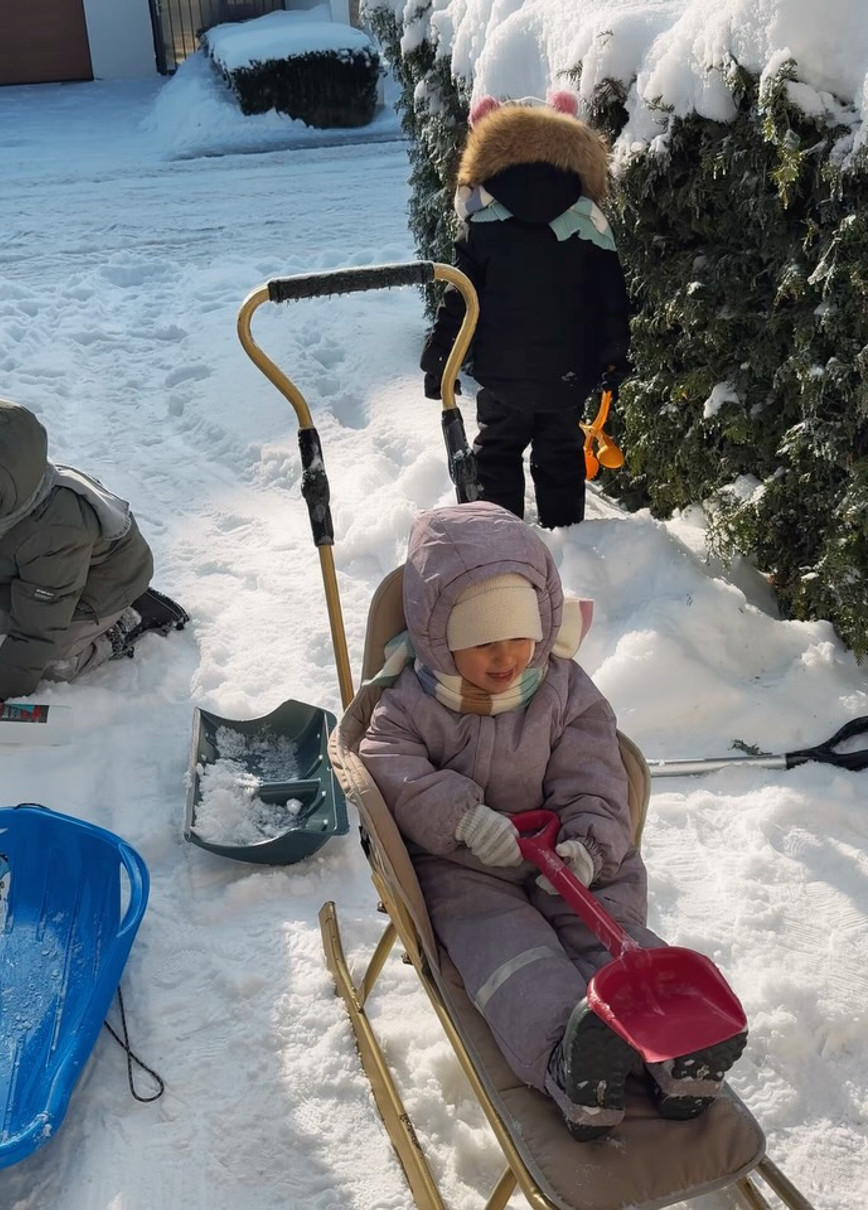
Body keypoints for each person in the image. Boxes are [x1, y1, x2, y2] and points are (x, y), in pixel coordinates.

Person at [358, 502, 746, 1140]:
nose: (506, 656)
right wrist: (461, 817)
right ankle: (571, 1061)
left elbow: (593, 769)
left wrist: (589, 842)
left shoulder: (563, 688)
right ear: (440, 638)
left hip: (568, 851)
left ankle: (680, 1049)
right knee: (510, 954)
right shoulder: (411, 705)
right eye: (482, 642)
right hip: (466, 867)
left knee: (612, 933)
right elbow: (387, 764)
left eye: (518, 635)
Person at [420, 91, 631, 529]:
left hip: (502, 372)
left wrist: (441, 356)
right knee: (560, 452)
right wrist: (612, 354)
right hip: (566, 371)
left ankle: (502, 538)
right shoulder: (589, 221)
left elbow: (461, 295)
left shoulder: (482, 222)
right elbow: (609, 296)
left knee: (497, 451)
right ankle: (566, 538)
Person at [0, 395, 188, 704]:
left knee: (48, 667)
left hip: (102, 582)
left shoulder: (56, 530)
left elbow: (37, 630)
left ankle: (129, 618)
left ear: (13, 487)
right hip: (38, 578)